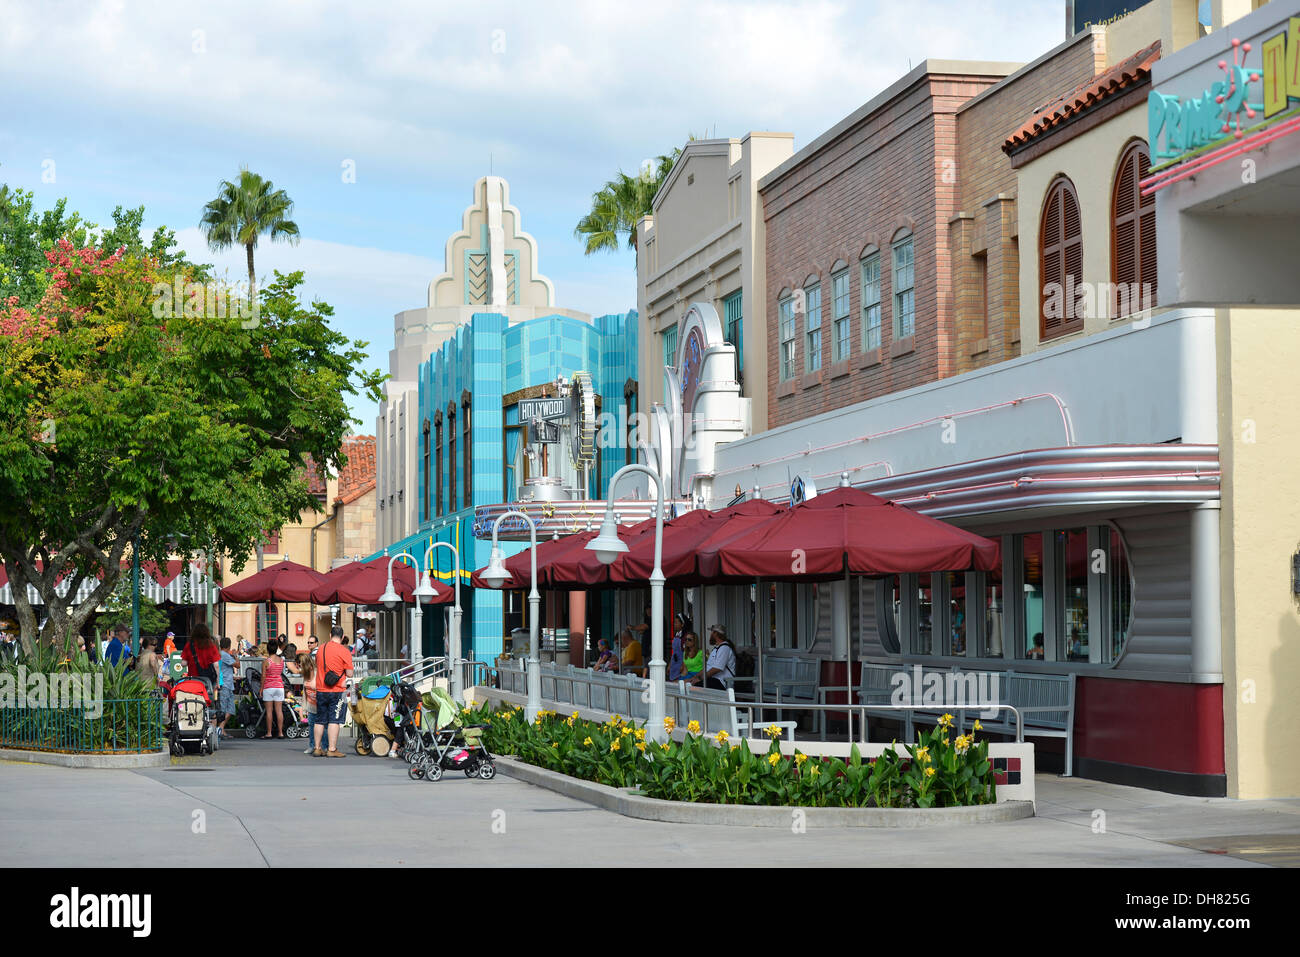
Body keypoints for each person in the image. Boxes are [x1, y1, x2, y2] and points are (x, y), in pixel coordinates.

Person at [313, 625, 354, 758]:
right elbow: (350, 673)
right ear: (342, 637)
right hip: (337, 689)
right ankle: (331, 749)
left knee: (319, 720)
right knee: (334, 720)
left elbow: (317, 665)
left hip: (320, 688)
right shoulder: (344, 651)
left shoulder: (320, 649)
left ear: (330, 635)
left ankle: (317, 748)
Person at [261, 637, 286, 739]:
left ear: (268, 649)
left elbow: (263, 676)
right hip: (279, 686)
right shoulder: (281, 660)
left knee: (269, 711)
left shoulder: (266, 661)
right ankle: (280, 732)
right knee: (279, 710)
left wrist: (261, 689)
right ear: (276, 649)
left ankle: (269, 732)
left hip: (268, 687)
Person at [182, 623, 220, 688]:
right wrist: (217, 681)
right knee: (208, 697)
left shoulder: (189, 645)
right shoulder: (211, 646)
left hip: (193, 680)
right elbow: (216, 665)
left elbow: (183, 663)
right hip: (208, 681)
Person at [701, 625, 736, 691]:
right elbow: (707, 667)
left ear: (716, 633)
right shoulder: (716, 649)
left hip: (722, 682)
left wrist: (701, 678)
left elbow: (717, 668)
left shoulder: (725, 648)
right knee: (692, 684)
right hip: (714, 680)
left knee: (697, 686)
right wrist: (695, 677)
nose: (710, 634)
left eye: (712, 632)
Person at [299, 651, 318, 754]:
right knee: (311, 726)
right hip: (311, 704)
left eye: (301, 665)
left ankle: (323, 746)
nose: (299, 667)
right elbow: (305, 692)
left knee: (321, 726)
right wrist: (304, 707)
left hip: (319, 704)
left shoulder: (317, 674)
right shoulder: (305, 675)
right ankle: (312, 745)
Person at [667, 613, 687, 682]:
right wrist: (670, 665)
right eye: (674, 622)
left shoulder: (685, 637)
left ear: (682, 624)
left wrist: (683, 666)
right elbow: (674, 652)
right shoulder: (677, 635)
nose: (674, 624)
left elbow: (686, 653)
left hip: (681, 665)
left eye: (676, 622)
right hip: (674, 663)